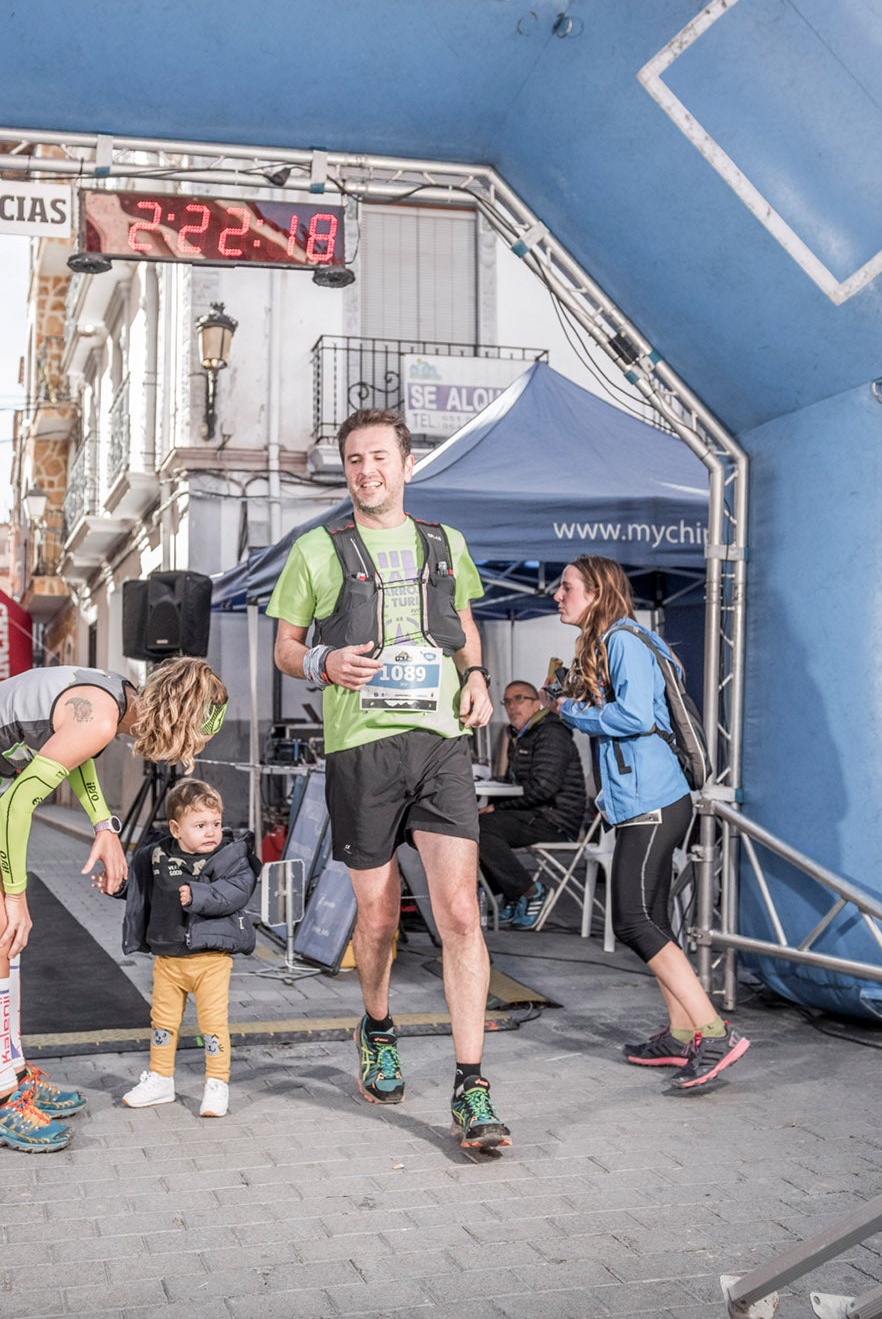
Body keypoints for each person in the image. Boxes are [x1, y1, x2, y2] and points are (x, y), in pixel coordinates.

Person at [268, 406, 509, 1150]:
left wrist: (477, 677)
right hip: (360, 749)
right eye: (353, 461)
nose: (366, 471)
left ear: (407, 464)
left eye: (378, 457)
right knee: (376, 919)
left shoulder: (446, 542)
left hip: (438, 742)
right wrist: (321, 662)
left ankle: (472, 1087)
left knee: (460, 914)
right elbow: (285, 646)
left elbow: (464, 622)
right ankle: (376, 1024)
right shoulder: (317, 548)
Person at [0, 656, 228, 1152]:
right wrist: (17, 895)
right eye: (193, 740)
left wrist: (104, 825)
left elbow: (75, 755)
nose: (185, 751)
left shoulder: (115, 695)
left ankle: (14, 1072)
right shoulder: (105, 715)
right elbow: (20, 800)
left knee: (6, 937)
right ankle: (0, 1104)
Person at [551, 554, 750, 1091]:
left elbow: (635, 718)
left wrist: (572, 712)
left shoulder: (621, 640)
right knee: (654, 918)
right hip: (647, 800)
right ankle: (682, 1034)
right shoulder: (621, 640)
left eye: (566, 586)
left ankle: (714, 1033)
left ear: (596, 591)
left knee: (634, 921)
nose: (557, 594)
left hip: (653, 803)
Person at [113, 779, 257, 1119]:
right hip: (168, 959)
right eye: (200, 825)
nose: (211, 832)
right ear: (176, 828)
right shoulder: (156, 855)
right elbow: (140, 889)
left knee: (212, 1025)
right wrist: (117, 886)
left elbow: (237, 891)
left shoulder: (229, 858)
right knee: (162, 1023)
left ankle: (217, 1084)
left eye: (216, 824)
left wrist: (199, 896)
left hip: (210, 962)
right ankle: (161, 1078)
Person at [480, 681, 587, 928]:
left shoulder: (550, 733)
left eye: (519, 699)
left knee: (482, 828)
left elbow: (543, 788)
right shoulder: (520, 735)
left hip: (555, 819)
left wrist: (497, 808)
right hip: (533, 813)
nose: (512, 706)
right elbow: (515, 784)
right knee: (473, 825)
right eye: (507, 701)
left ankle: (528, 892)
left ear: (536, 702)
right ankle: (511, 893)